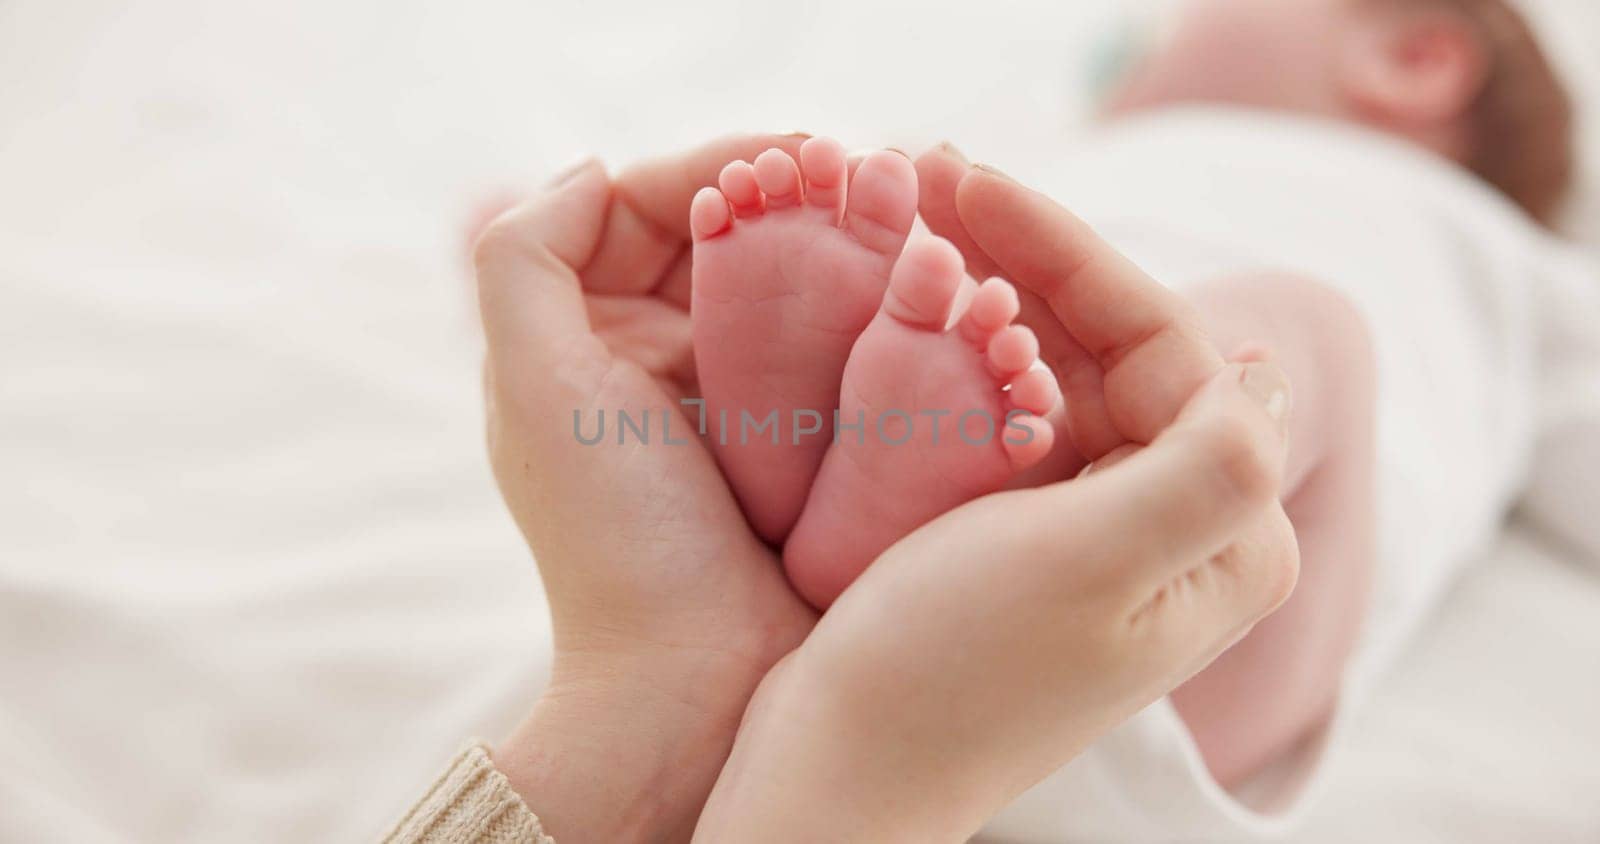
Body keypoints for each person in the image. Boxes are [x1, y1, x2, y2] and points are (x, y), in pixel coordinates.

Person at [668, 1, 1600, 840]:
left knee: (1307, 336)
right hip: (951, 658)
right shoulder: (1059, 163)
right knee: (914, 268)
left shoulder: (1487, 242)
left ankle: (1020, 463)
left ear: (1413, 60)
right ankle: (859, 483)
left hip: (1205, 613)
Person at [382, 133, 1299, 842]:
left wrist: (683, 682)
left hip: (975, 682)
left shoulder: (1402, 196)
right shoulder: (1333, 183)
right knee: (1313, 332)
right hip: (1117, 668)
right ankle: (1118, 455)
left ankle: (832, 483)